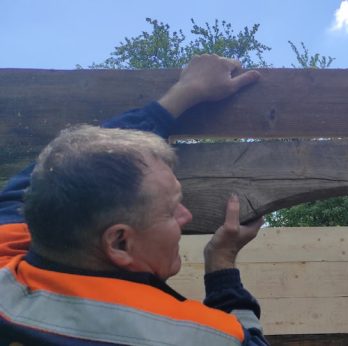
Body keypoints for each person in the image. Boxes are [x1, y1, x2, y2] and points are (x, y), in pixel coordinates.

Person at [0, 54, 270, 345]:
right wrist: (223, 265)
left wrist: (180, 96)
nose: (186, 216)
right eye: (170, 210)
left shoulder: (6, 269)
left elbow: (39, 180)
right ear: (119, 242)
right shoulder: (203, 337)